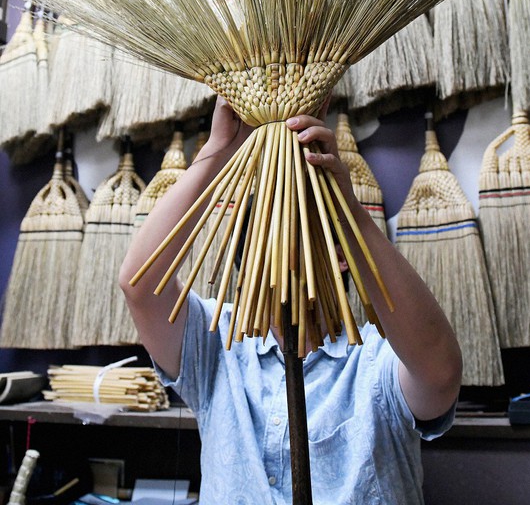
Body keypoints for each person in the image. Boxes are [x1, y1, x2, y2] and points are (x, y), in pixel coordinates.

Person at [120, 97, 462, 505]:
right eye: (263, 240)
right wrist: (217, 153)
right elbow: (139, 285)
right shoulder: (218, 345)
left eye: (294, 236)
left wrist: (349, 214)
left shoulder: (376, 363)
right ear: (242, 263)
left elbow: (439, 373)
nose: (276, 256)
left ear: (339, 257)